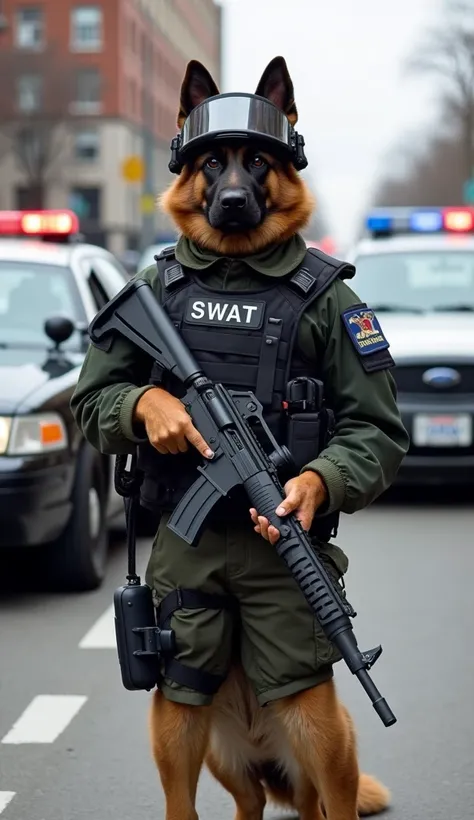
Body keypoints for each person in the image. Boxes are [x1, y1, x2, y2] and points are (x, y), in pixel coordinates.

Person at [71, 56, 409, 820]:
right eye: (211, 164)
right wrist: (142, 404)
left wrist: (321, 480)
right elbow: (92, 398)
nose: (232, 184)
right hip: (187, 538)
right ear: (187, 177)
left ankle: (334, 805)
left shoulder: (325, 296)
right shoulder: (156, 290)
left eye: (256, 164)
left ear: (285, 174)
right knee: (184, 693)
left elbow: (379, 430)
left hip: (282, 541)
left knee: (305, 700)